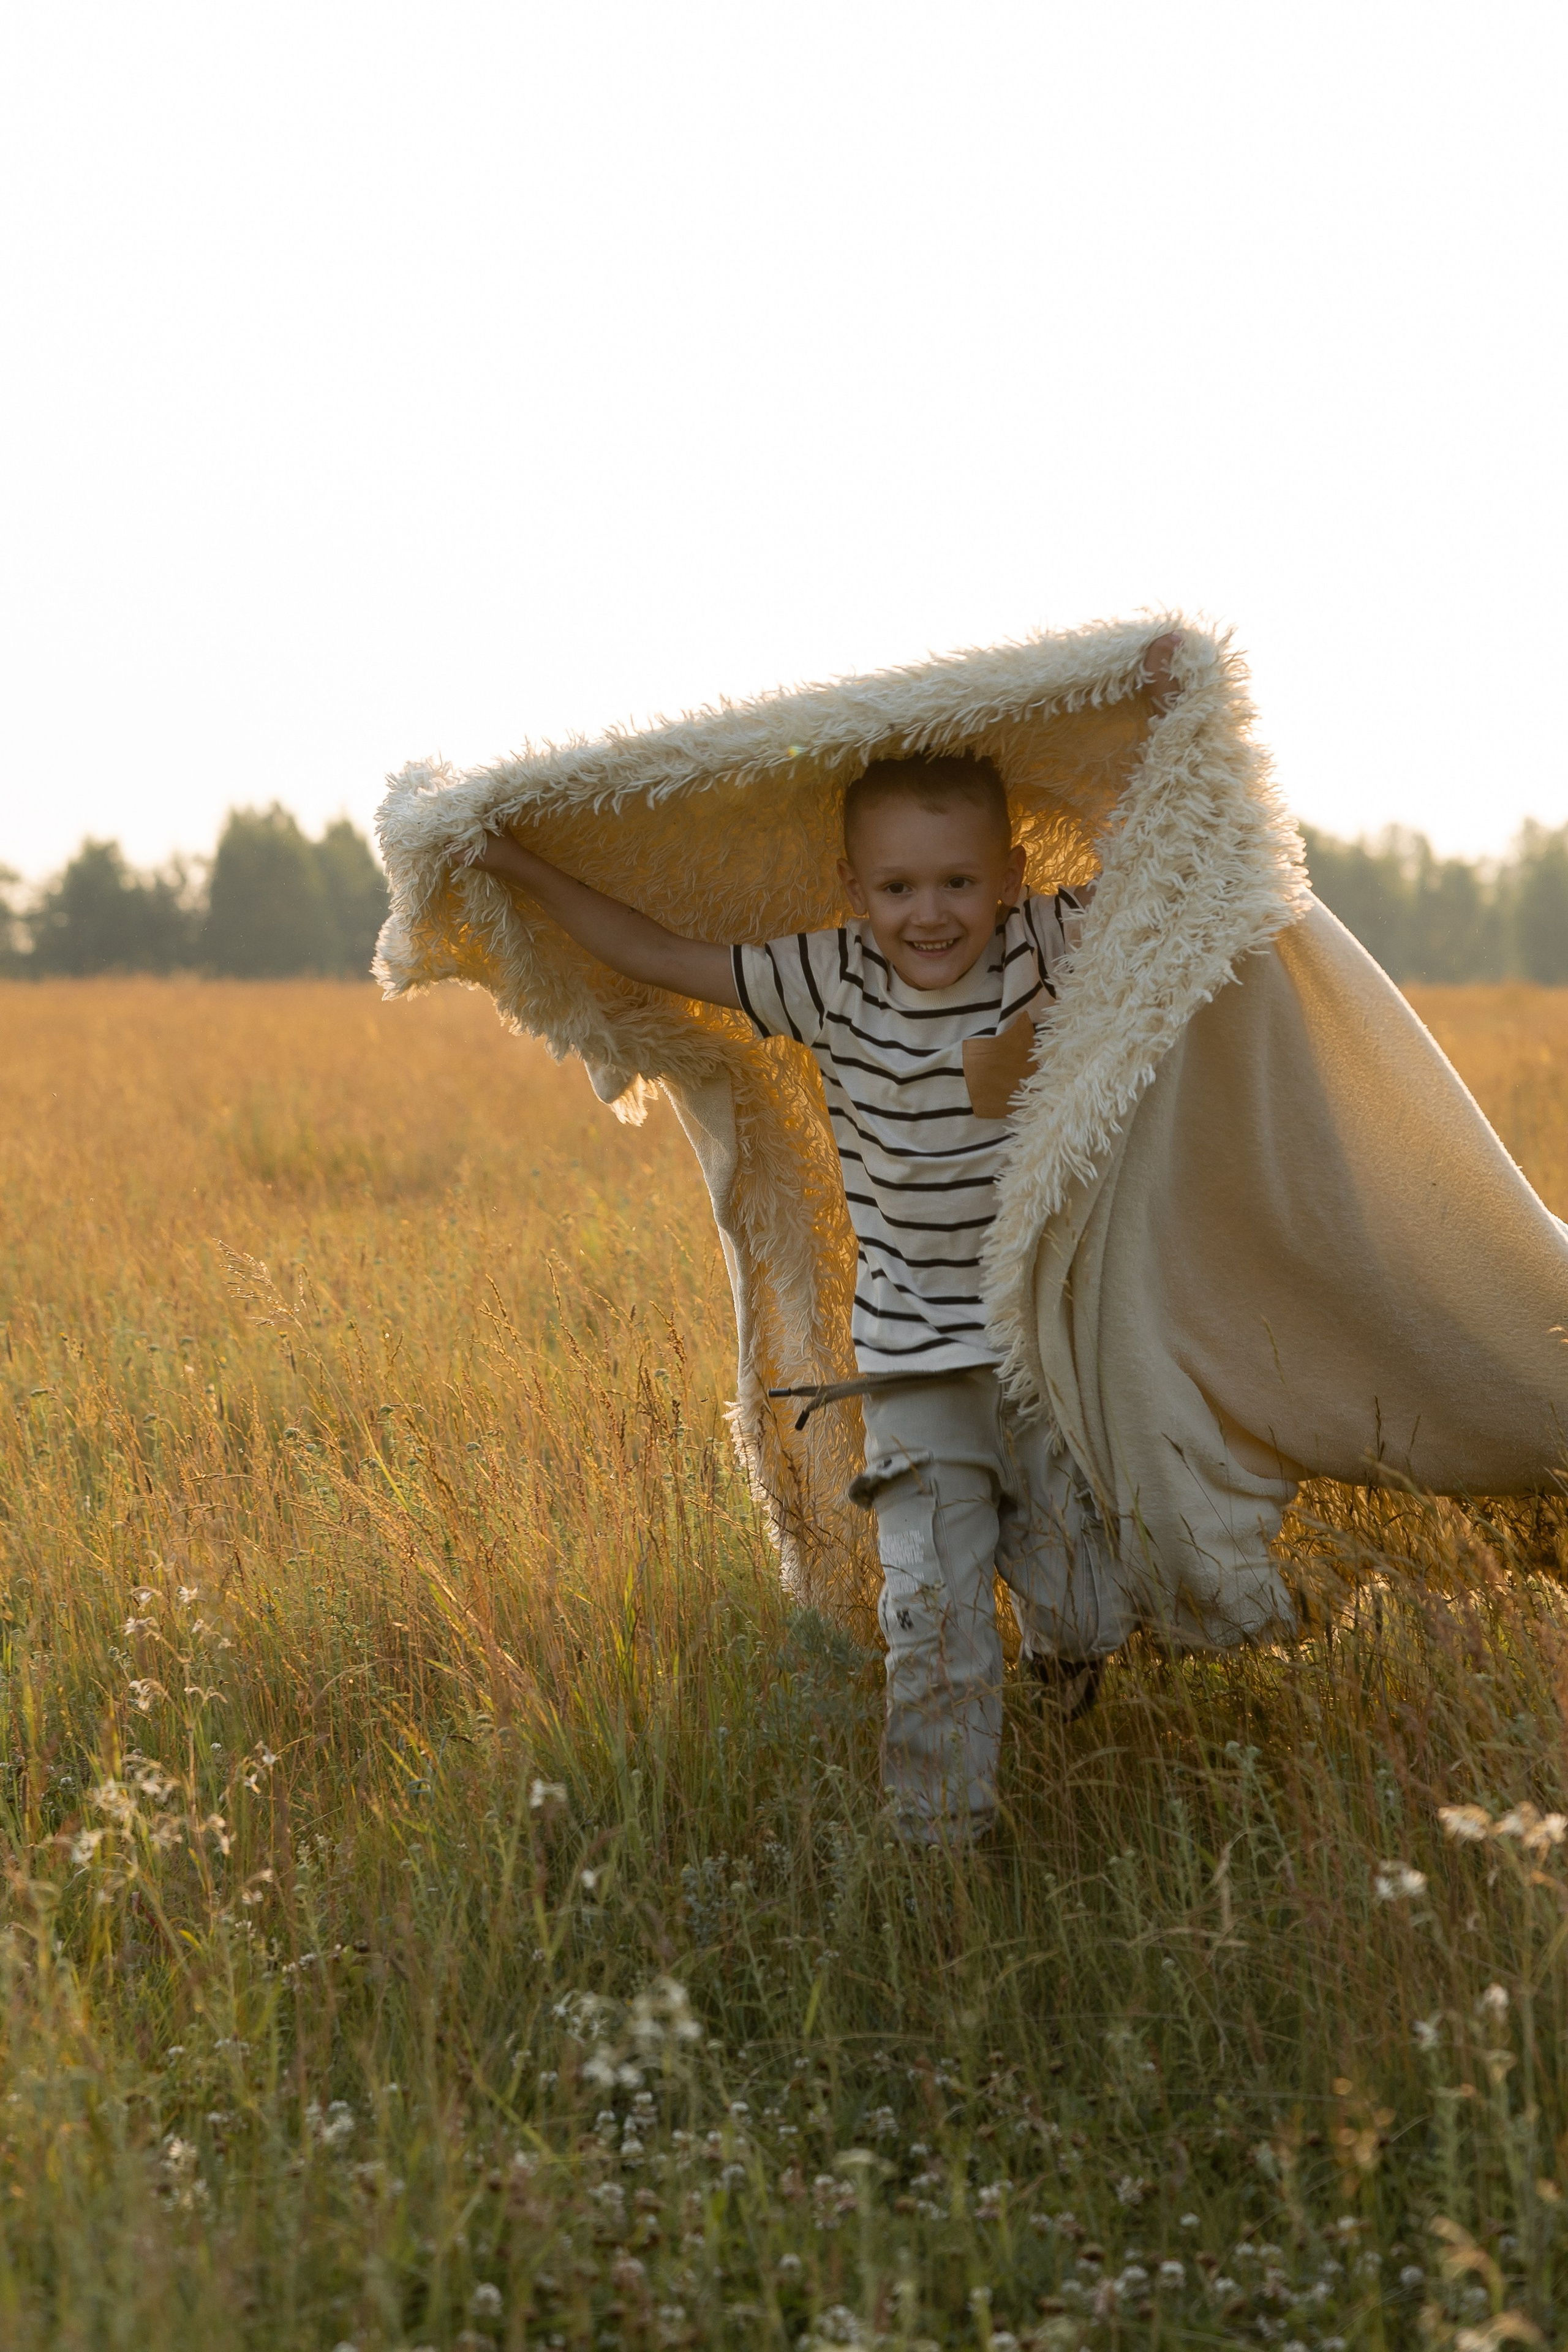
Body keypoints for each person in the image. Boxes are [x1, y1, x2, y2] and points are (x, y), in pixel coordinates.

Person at [465, 634, 1183, 1844]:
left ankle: (1073, 1664)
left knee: (1081, 1595)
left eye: (955, 882)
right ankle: (937, 1842)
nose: (928, 913)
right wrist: (518, 864)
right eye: (897, 888)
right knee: (932, 1609)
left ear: (1006, 876)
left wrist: (1166, 723)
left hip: (1044, 1352)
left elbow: (1170, 867)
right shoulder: (827, 979)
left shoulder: (1044, 948)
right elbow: (656, 953)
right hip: (911, 1365)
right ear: (853, 891)